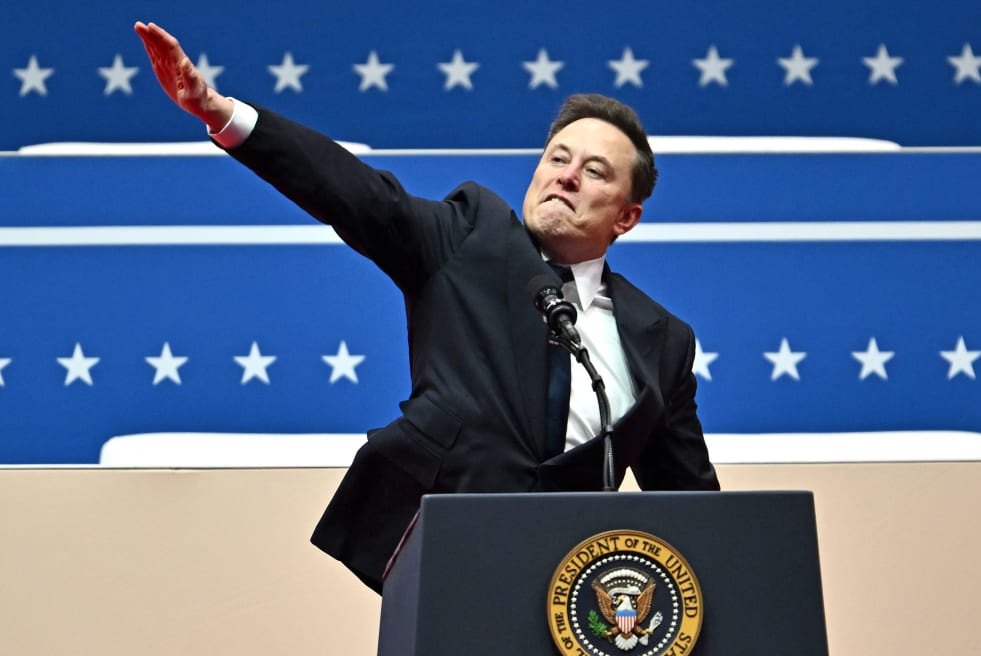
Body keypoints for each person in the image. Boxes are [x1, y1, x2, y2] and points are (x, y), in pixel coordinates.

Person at [135, 21, 719, 594]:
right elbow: (355, 193)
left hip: (573, 591)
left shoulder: (661, 340)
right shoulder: (470, 238)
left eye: (593, 172)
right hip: (443, 563)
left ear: (626, 217)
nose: (565, 177)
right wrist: (219, 112)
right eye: (557, 158)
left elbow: (698, 511)